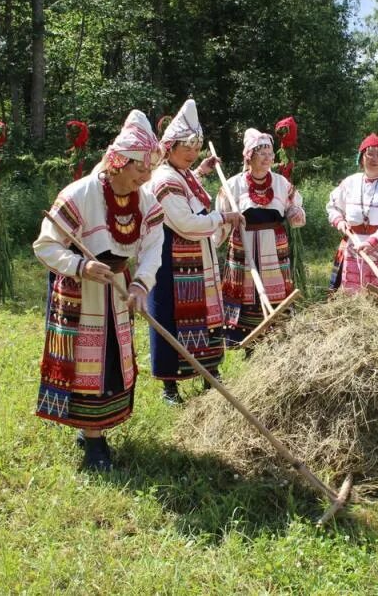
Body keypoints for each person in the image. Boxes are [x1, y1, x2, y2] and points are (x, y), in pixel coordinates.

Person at [34, 110, 164, 471]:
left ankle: (92, 429)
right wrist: (81, 266)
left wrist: (140, 285)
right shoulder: (80, 194)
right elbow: (45, 245)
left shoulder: (145, 202)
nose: (145, 177)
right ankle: (94, 444)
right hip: (82, 292)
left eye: (150, 170)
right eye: (140, 169)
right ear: (119, 162)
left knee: (112, 363)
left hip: (117, 288)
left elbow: (154, 247)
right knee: (87, 364)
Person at [147, 99, 243, 405]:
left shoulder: (182, 173)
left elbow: (188, 195)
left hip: (197, 257)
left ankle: (209, 372)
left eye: (196, 147)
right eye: (186, 147)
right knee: (171, 316)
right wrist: (222, 218)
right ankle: (170, 386)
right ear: (170, 147)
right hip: (171, 261)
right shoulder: (164, 179)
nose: (192, 153)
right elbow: (186, 222)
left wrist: (201, 171)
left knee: (204, 313)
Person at [215, 128, 306, 345]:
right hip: (243, 244)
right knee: (245, 289)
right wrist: (216, 238)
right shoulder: (233, 185)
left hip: (274, 246)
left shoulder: (281, 183)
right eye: (262, 153)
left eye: (270, 153)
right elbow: (221, 217)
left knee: (276, 289)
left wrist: (295, 213)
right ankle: (244, 339)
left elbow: (294, 208)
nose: (268, 158)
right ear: (249, 156)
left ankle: (277, 334)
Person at [326, 133, 378, 295]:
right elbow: (333, 206)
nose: (375, 159)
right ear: (362, 157)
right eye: (370, 154)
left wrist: (373, 240)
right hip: (353, 248)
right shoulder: (350, 182)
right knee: (351, 295)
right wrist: (339, 221)